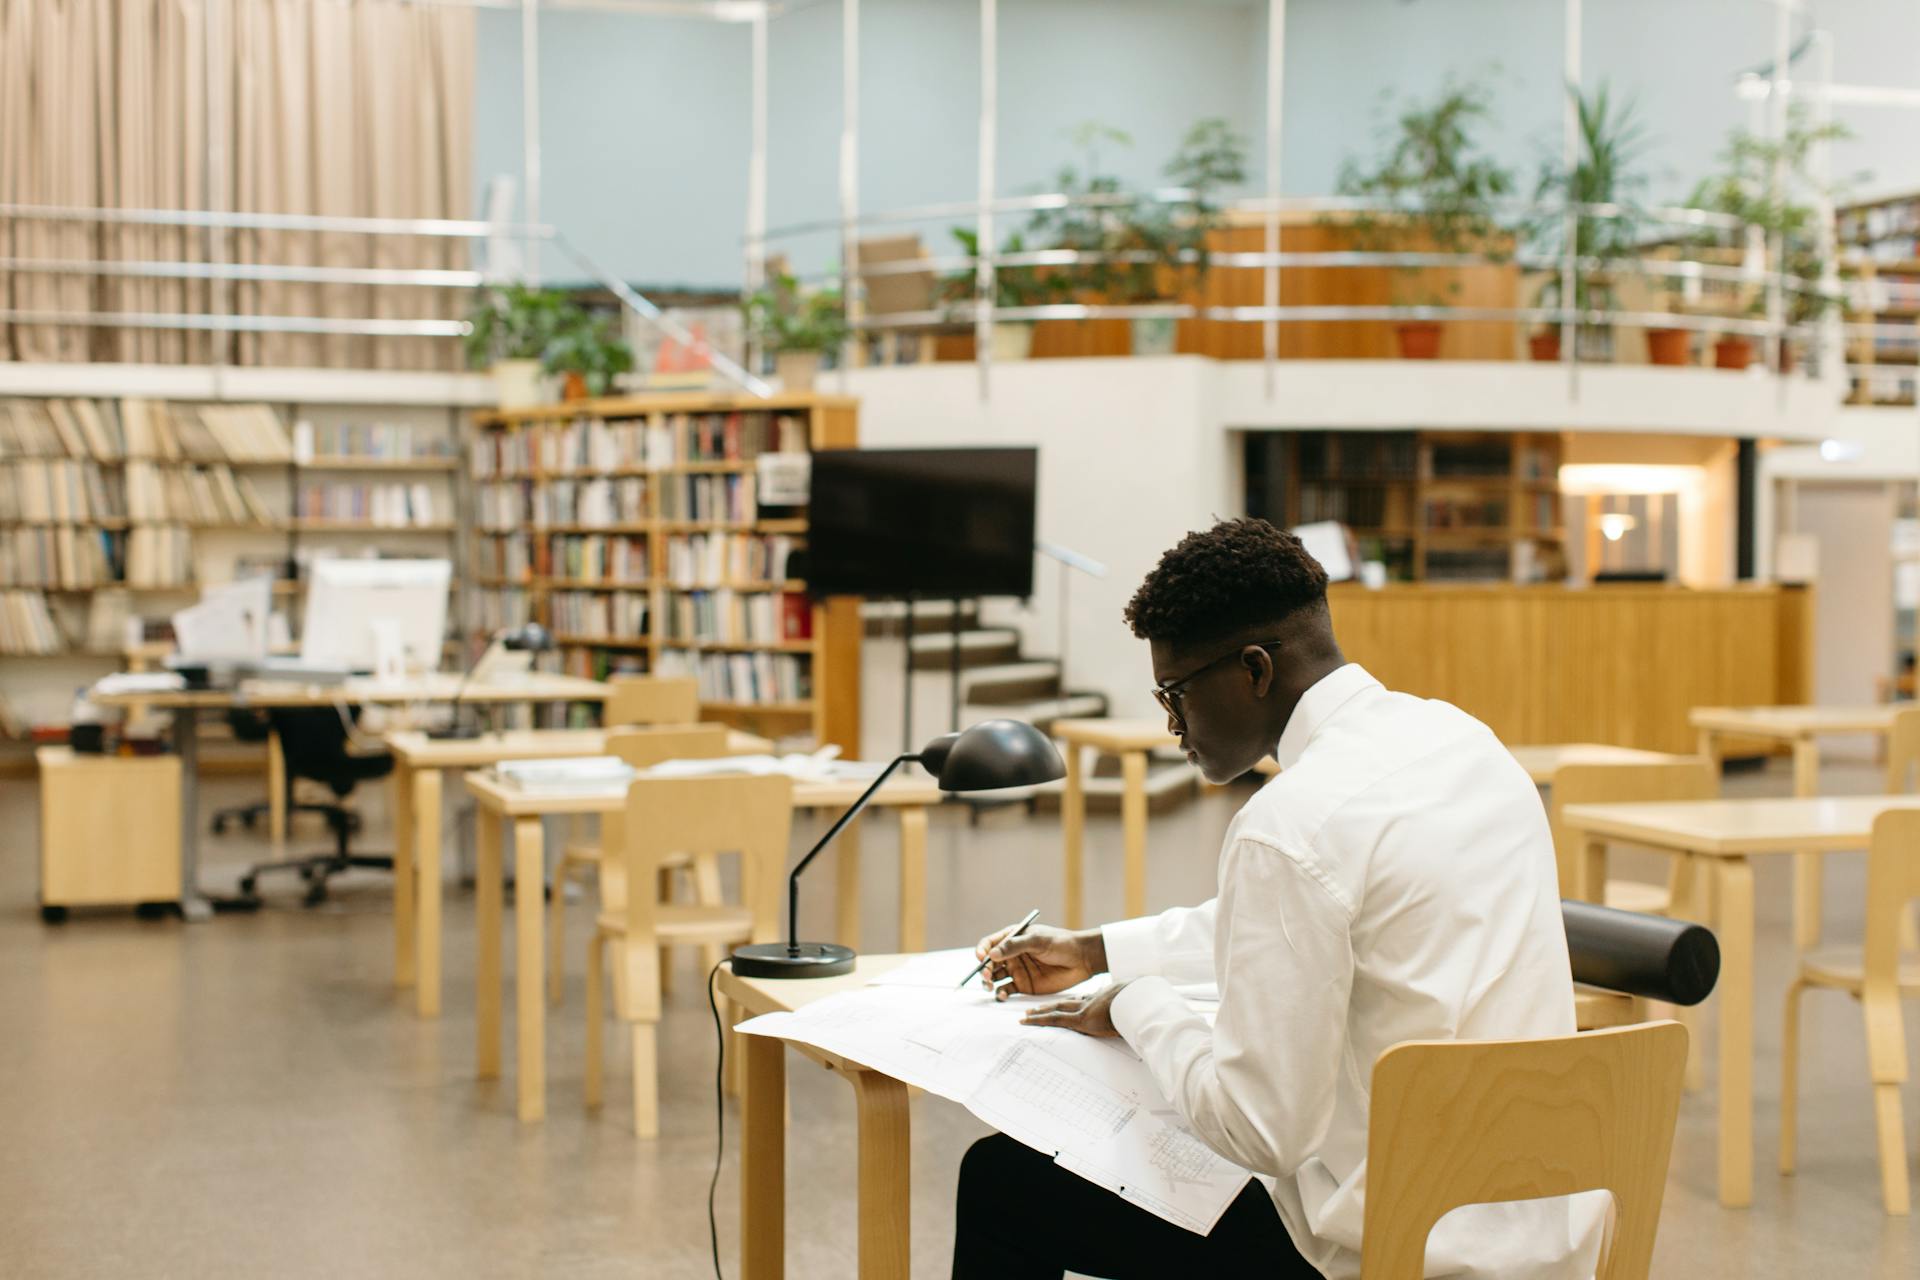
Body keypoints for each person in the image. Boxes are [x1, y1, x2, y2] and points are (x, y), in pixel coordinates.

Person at [953, 518, 1601, 1280]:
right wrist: (1095, 951)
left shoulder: (1287, 824)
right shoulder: (1462, 742)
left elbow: (1262, 1134)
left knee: (1002, 1178)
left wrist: (1136, 1003)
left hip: (1386, 1251)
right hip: (1540, 1226)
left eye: (1176, 695)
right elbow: (1307, 919)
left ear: (1254, 670)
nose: (1174, 729)